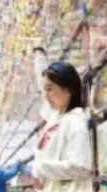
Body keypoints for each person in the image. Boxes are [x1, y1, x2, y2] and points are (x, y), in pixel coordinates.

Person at [24, 61, 93, 192]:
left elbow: (81, 166)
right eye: (45, 90)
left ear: (69, 89)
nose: (46, 95)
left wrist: (41, 168)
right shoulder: (56, 117)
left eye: (50, 89)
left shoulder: (75, 121)